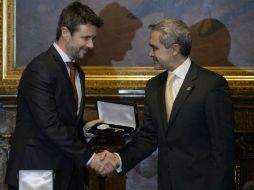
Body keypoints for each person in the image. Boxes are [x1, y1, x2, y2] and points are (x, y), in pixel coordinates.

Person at [100, 17, 235, 190]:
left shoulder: (211, 85)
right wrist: (117, 159)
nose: (150, 53)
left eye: (154, 48)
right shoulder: (153, 86)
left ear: (174, 49)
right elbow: (149, 137)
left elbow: (223, 149)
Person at [5, 2, 112, 190]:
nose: (91, 45)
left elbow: (64, 117)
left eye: (93, 38)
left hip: (67, 169)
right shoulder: (40, 68)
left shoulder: (77, 70)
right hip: (37, 172)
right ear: (65, 32)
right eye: (86, 38)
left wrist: (83, 128)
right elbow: (49, 124)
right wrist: (90, 158)